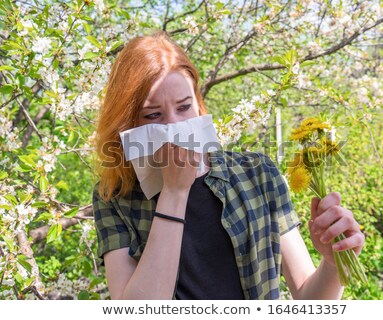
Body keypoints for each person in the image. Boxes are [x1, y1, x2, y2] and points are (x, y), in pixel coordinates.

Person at [92, 30, 365, 300]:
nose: (175, 127)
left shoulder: (257, 174)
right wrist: (174, 193)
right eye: (153, 114)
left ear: (198, 105)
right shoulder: (115, 198)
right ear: (128, 124)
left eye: (184, 107)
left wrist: (332, 265)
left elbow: (307, 298)